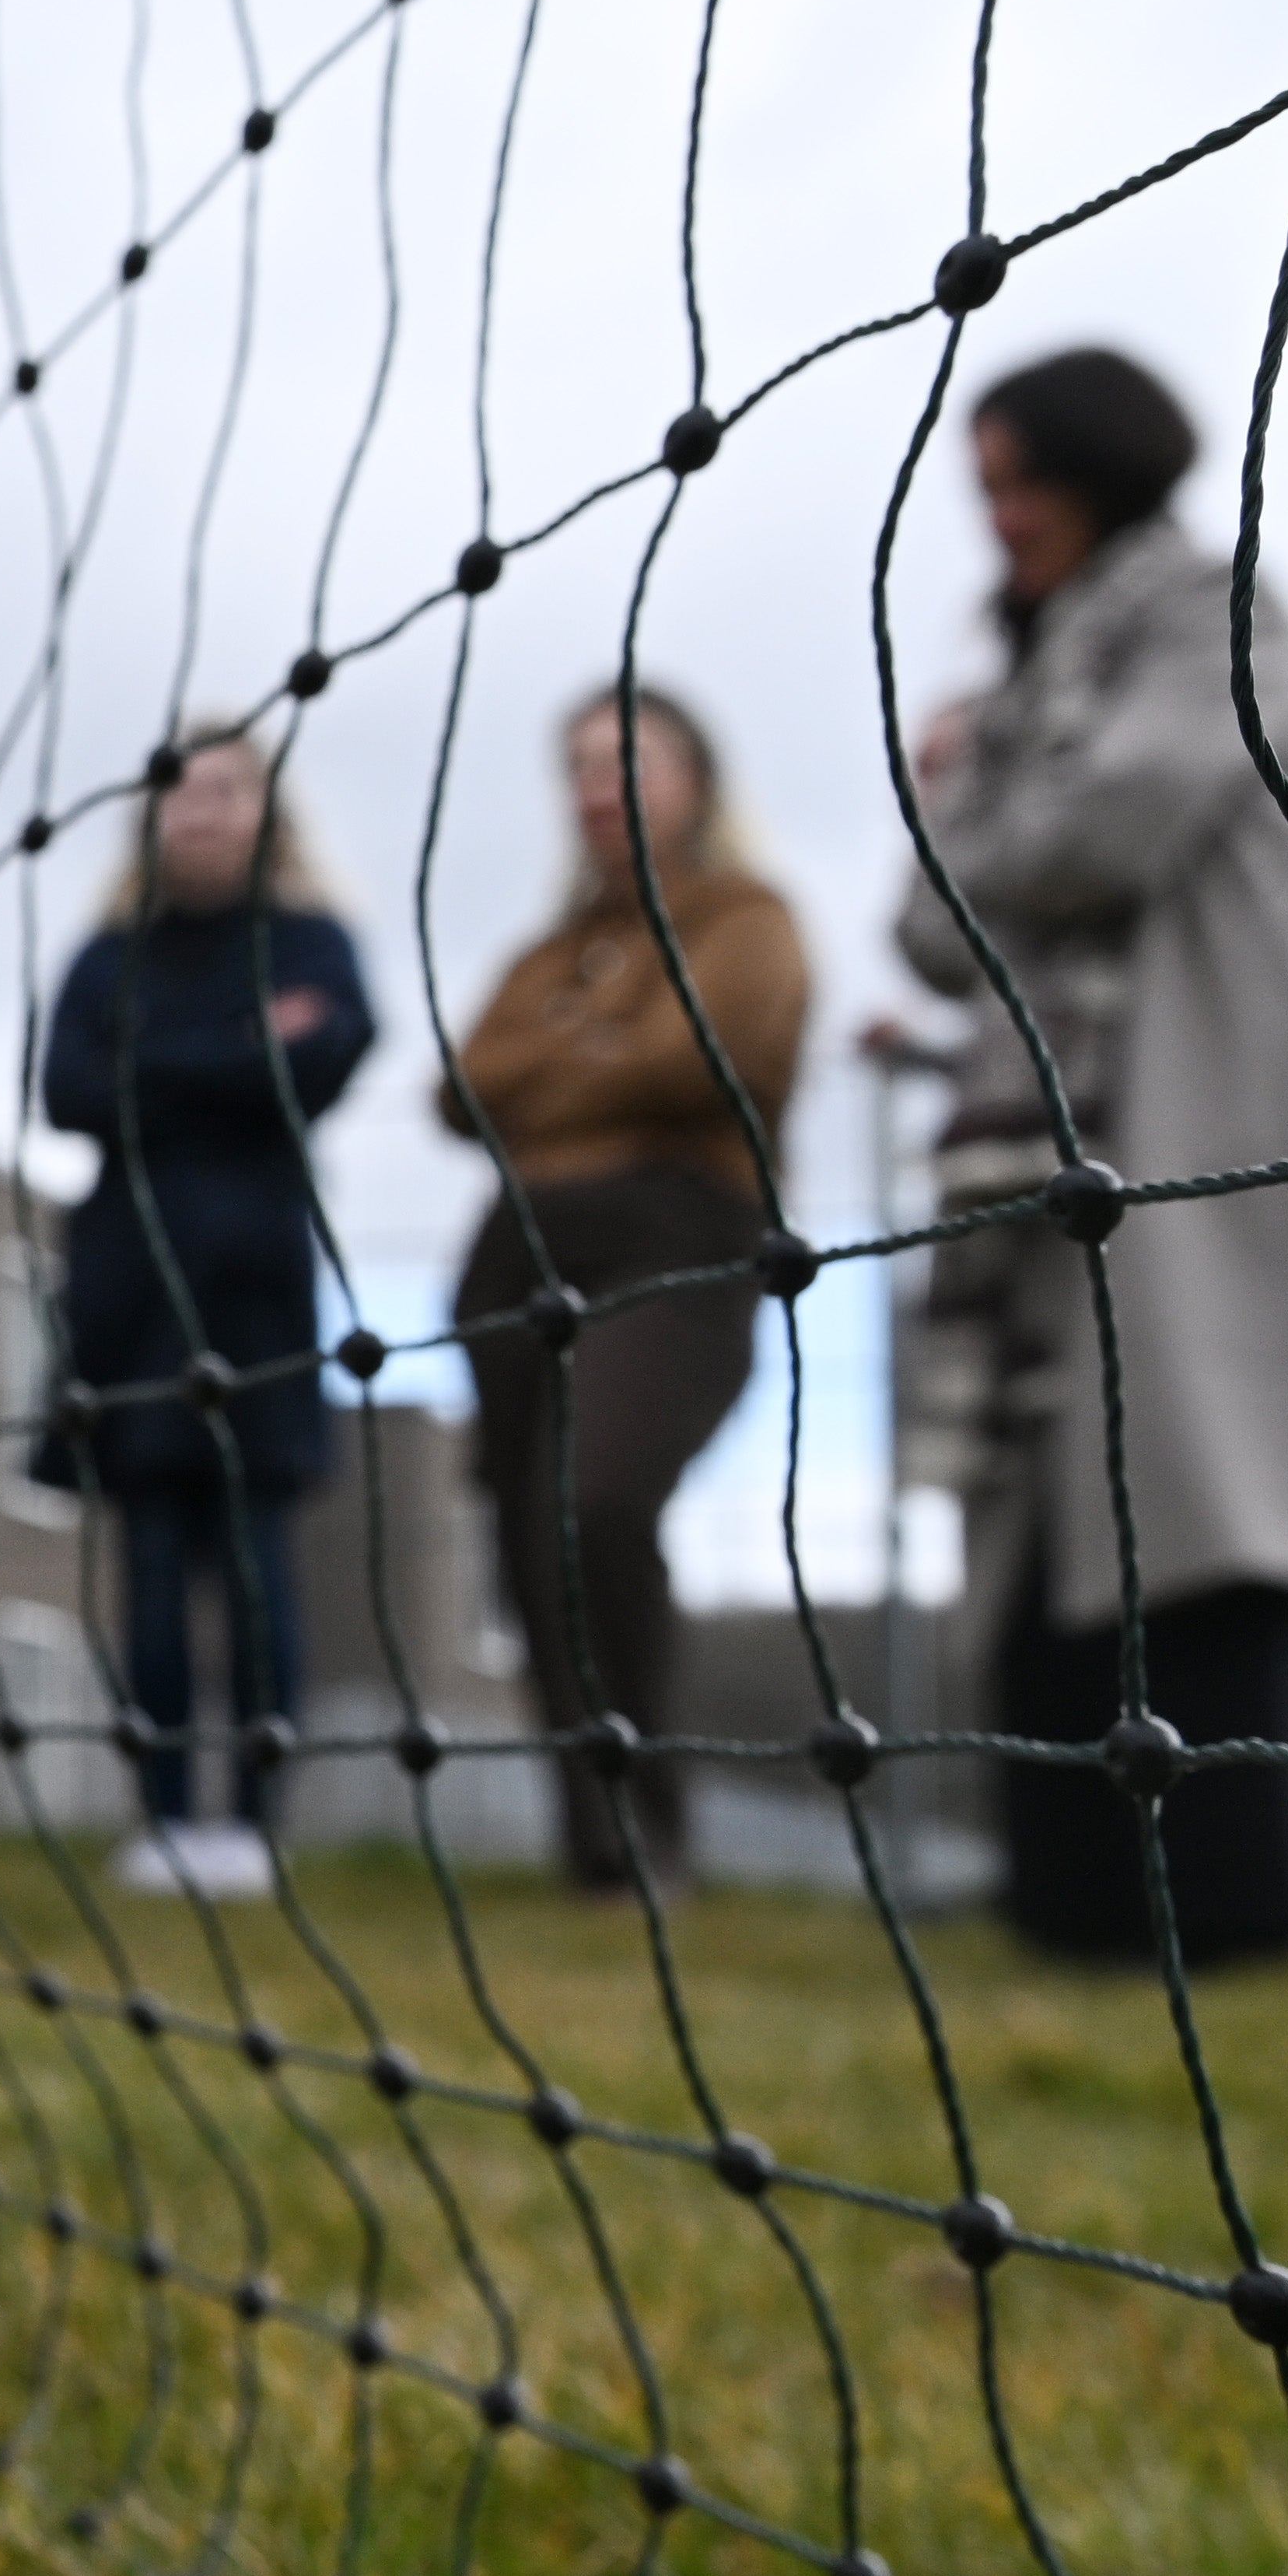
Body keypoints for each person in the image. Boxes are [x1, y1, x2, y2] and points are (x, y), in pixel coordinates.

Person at [889, 345, 1288, 1967]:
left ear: (1101, 468)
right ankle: (1074, 1897)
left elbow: (1115, 823)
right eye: (986, 492)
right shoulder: (1024, 678)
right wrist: (976, 815)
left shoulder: (1209, 611)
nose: (1002, 521)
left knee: (1200, 1482)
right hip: (1032, 1153)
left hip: (1192, 1106)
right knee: (1047, 1508)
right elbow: (927, 925)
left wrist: (978, 809)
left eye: (1021, 482)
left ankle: (1227, 1911)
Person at [446, 687, 813, 1891]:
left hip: (680, 1237)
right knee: (522, 1536)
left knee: (595, 1498)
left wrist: (562, 1065)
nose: (599, 786)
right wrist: (608, 1049)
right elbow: (460, 1089)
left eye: (627, 760)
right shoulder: (545, 951)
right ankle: (594, 1841)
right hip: (518, 1251)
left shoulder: (748, 918)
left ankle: (653, 1822)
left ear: (697, 775)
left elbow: (718, 1053)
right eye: (580, 767)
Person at [36, 725, 376, 1898]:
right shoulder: (105, 954)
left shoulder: (314, 939)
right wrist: (236, 1050)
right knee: (151, 1567)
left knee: (255, 1557)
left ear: (266, 808)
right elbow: (69, 1088)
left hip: (259, 1291)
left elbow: (331, 1055)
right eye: (179, 790)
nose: (200, 810)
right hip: (130, 1291)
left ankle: (254, 1822)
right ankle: (168, 1816)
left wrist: (157, 1067)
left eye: (225, 788)